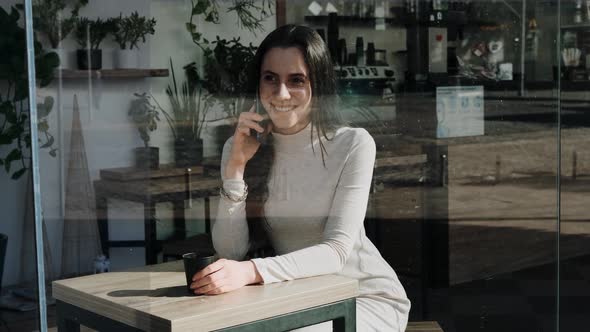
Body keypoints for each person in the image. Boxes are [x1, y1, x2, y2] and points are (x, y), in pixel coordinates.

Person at [190, 24, 411, 331]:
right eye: (270, 79)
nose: (281, 93)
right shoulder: (241, 145)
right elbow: (231, 252)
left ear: (317, 85)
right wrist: (236, 167)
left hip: (363, 298)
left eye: (296, 80)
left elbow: (335, 252)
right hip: (296, 298)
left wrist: (250, 271)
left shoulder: (352, 144)